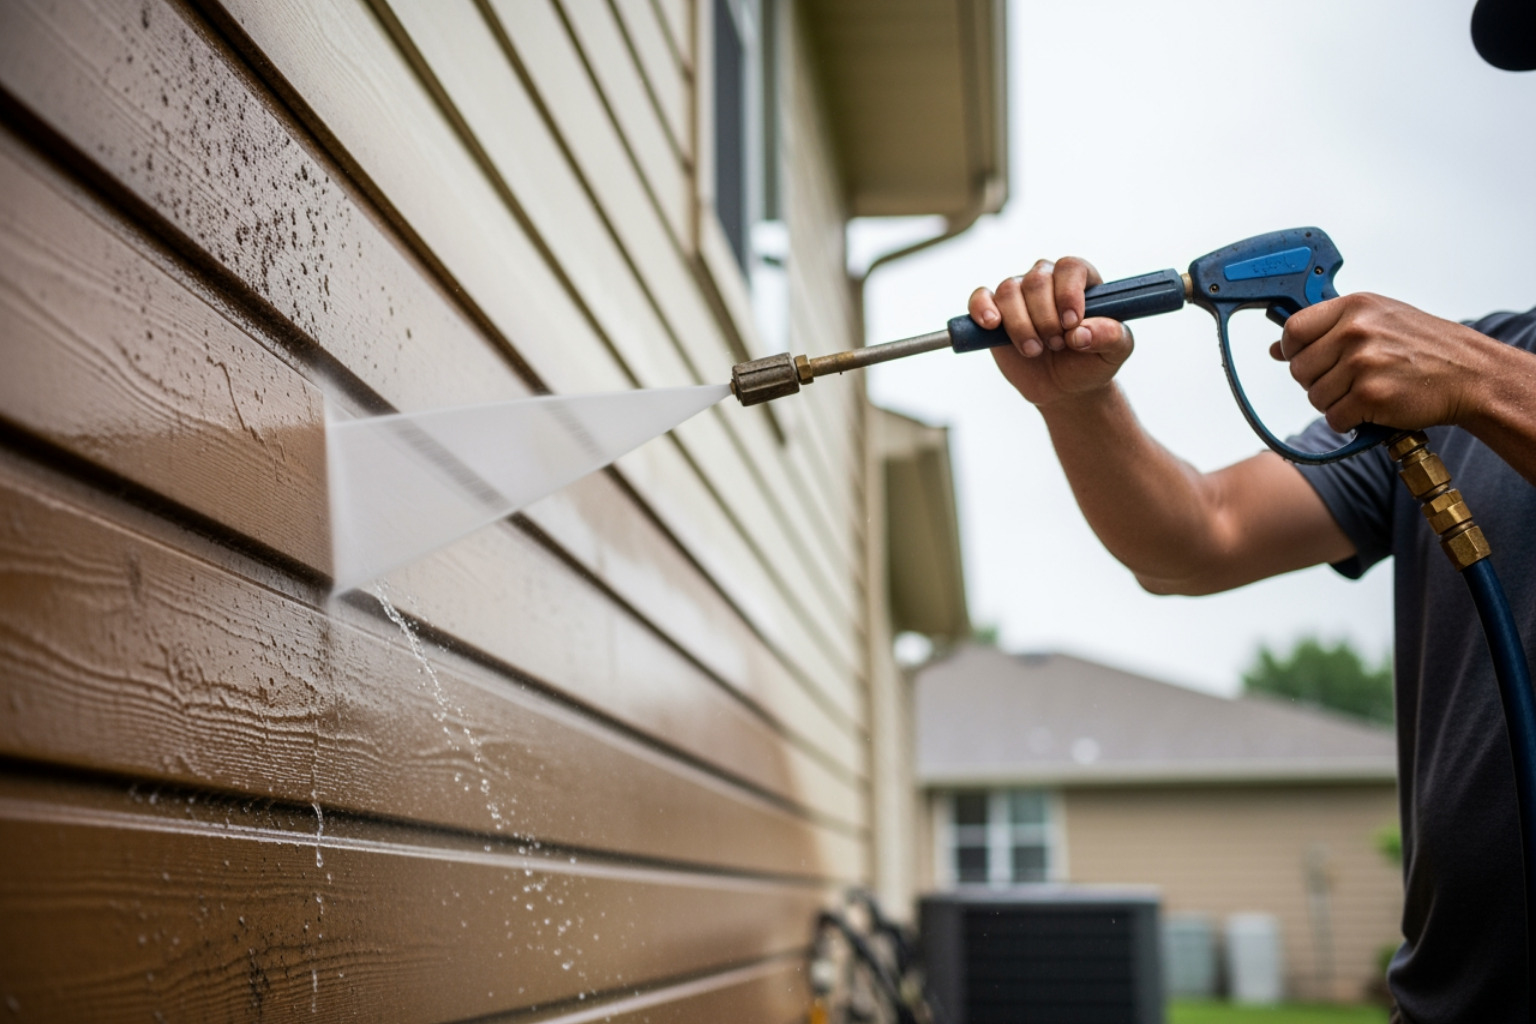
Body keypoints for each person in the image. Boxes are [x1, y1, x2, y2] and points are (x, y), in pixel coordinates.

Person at [966, 262, 1536, 1020]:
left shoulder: (1471, 368)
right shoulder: (1468, 367)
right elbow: (1203, 535)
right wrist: (1079, 402)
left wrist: (1486, 383)